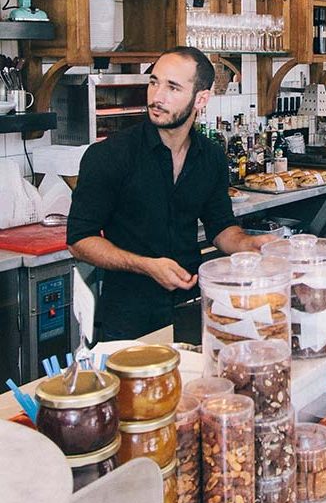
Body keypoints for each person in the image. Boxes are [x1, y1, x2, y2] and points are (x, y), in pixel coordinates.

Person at [67, 46, 266, 340]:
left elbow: (221, 226)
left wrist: (249, 244)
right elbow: (79, 240)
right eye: (154, 82)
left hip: (191, 309)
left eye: (172, 87)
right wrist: (146, 266)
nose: (157, 97)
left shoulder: (211, 156)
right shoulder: (109, 155)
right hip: (128, 320)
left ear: (201, 99)